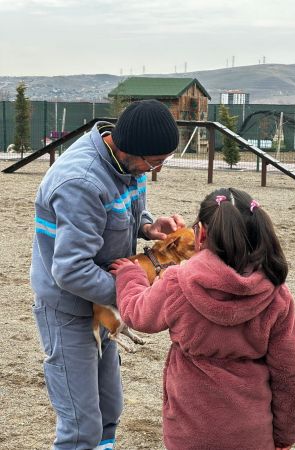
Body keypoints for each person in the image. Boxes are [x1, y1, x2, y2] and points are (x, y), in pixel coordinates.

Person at [30, 99, 185, 450]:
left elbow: (121, 215)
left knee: (108, 407)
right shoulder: (81, 182)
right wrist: (132, 294)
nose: (153, 171)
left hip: (103, 305)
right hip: (69, 306)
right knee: (81, 423)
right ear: (130, 150)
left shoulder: (129, 167)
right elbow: (71, 270)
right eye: (154, 162)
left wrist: (148, 225)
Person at [110, 187, 295, 450]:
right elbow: (291, 376)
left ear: (200, 233)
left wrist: (130, 276)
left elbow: (138, 314)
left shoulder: (178, 282)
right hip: (252, 433)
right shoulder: (276, 295)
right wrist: (286, 436)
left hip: (189, 430)